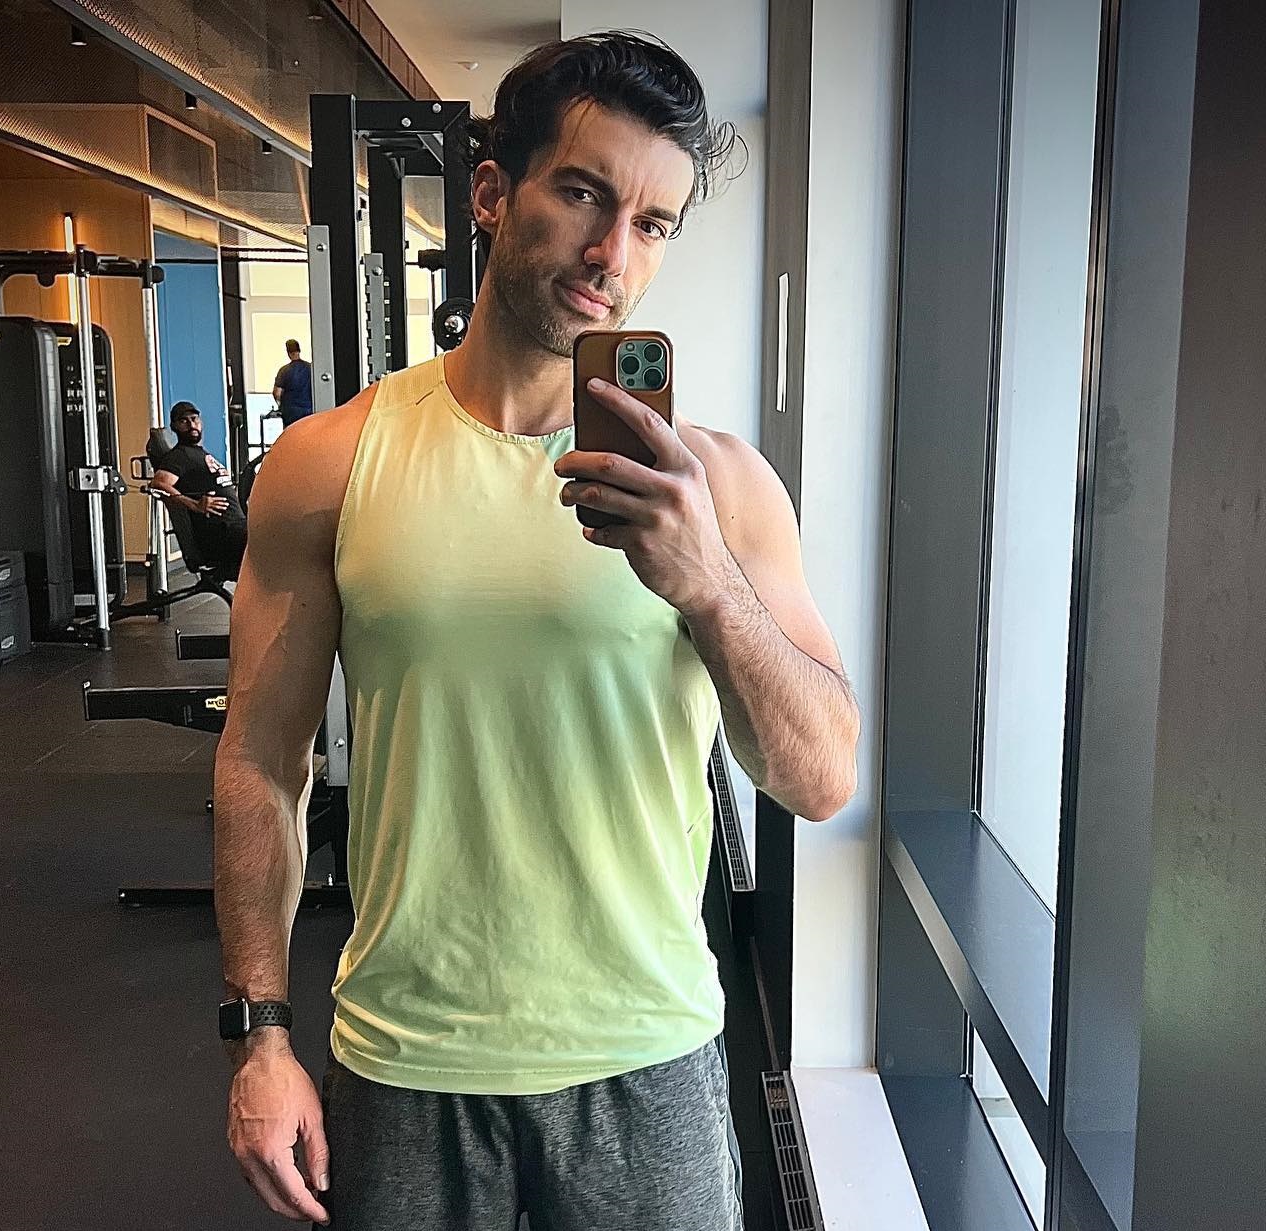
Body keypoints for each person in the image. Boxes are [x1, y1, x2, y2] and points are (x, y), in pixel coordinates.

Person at [214, 31, 860, 1231]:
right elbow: (261, 762)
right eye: (583, 194)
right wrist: (262, 1032)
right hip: (406, 1057)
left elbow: (819, 779)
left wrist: (708, 585)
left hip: (648, 1056)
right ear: (492, 193)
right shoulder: (329, 463)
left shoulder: (718, 487)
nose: (614, 253)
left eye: (653, 224)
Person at [149, 401, 247, 572]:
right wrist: (195, 505)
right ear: (174, 427)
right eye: (183, 421)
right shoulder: (179, 456)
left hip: (237, 528)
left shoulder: (200, 453)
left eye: (194, 419)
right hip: (223, 535)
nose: (191, 425)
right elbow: (158, 484)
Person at [271, 339, 313, 427]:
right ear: (299, 351)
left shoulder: (284, 371)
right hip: (309, 410)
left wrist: (280, 405)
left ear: (288, 353)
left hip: (290, 413)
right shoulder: (310, 368)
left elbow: (277, 393)